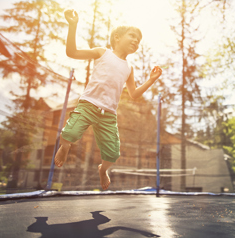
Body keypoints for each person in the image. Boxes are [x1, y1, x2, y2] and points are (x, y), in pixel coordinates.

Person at [55, 9, 163, 190]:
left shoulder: (129, 68)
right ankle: (65, 147)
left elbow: (134, 94)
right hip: (89, 104)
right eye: (132, 36)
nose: (136, 41)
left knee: (112, 154)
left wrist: (151, 81)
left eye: (139, 40)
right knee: (70, 134)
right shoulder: (102, 52)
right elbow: (72, 52)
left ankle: (102, 170)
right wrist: (73, 26)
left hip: (108, 114)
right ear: (117, 37)